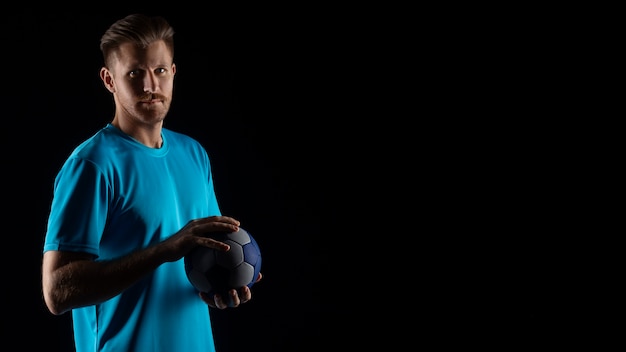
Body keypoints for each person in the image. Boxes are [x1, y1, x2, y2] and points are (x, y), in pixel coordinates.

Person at [41, 14, 261, 352]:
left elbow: (204, 256)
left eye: (159, 71)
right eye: (134, 73)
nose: (149, 86)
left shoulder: (194, 154)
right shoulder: (92, 165)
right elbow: (56, 292)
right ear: (109, 79)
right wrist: (162, 251)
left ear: (173, 73)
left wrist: (221, 286)